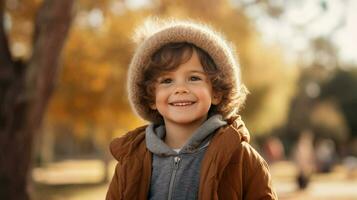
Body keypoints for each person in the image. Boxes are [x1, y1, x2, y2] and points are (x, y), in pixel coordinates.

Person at [106, 18, 277, 200]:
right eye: (167, 80)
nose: (180, 88)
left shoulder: (241, 159)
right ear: (151, 98)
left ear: (216, 92)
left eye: (194, 78)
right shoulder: (131, 161)